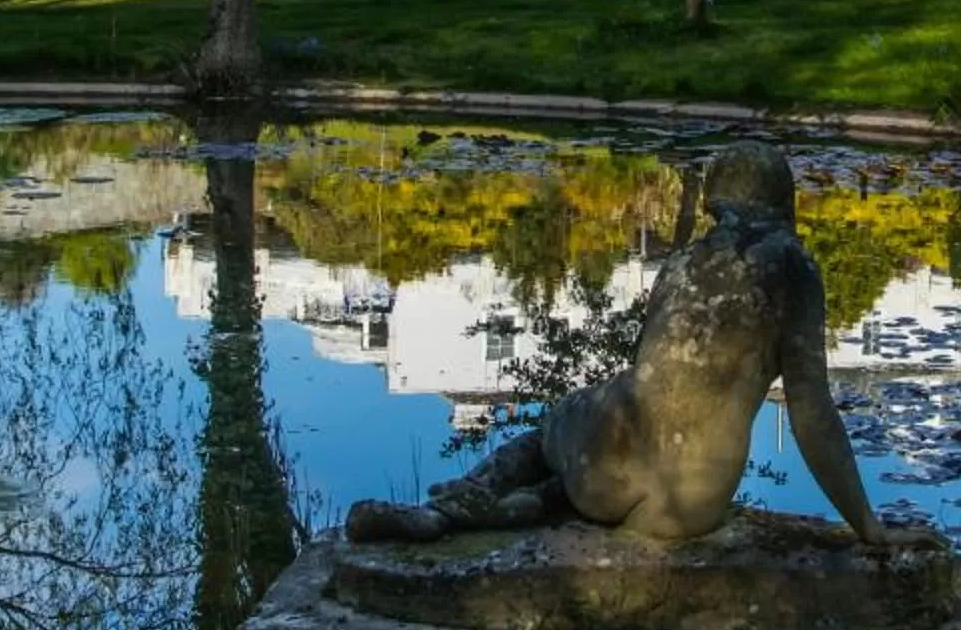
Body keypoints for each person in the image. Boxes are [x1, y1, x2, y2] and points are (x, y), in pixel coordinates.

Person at [346, 141, 888, 549]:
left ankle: (452, 509)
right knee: (591, 461)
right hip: (690, 502)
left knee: (552, 432)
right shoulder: (794, 268)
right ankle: (508, 509)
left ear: (717, 200)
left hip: (609, 458)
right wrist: (867, 524)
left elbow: (656, 378)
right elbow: (811, 411)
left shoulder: (681, 265)